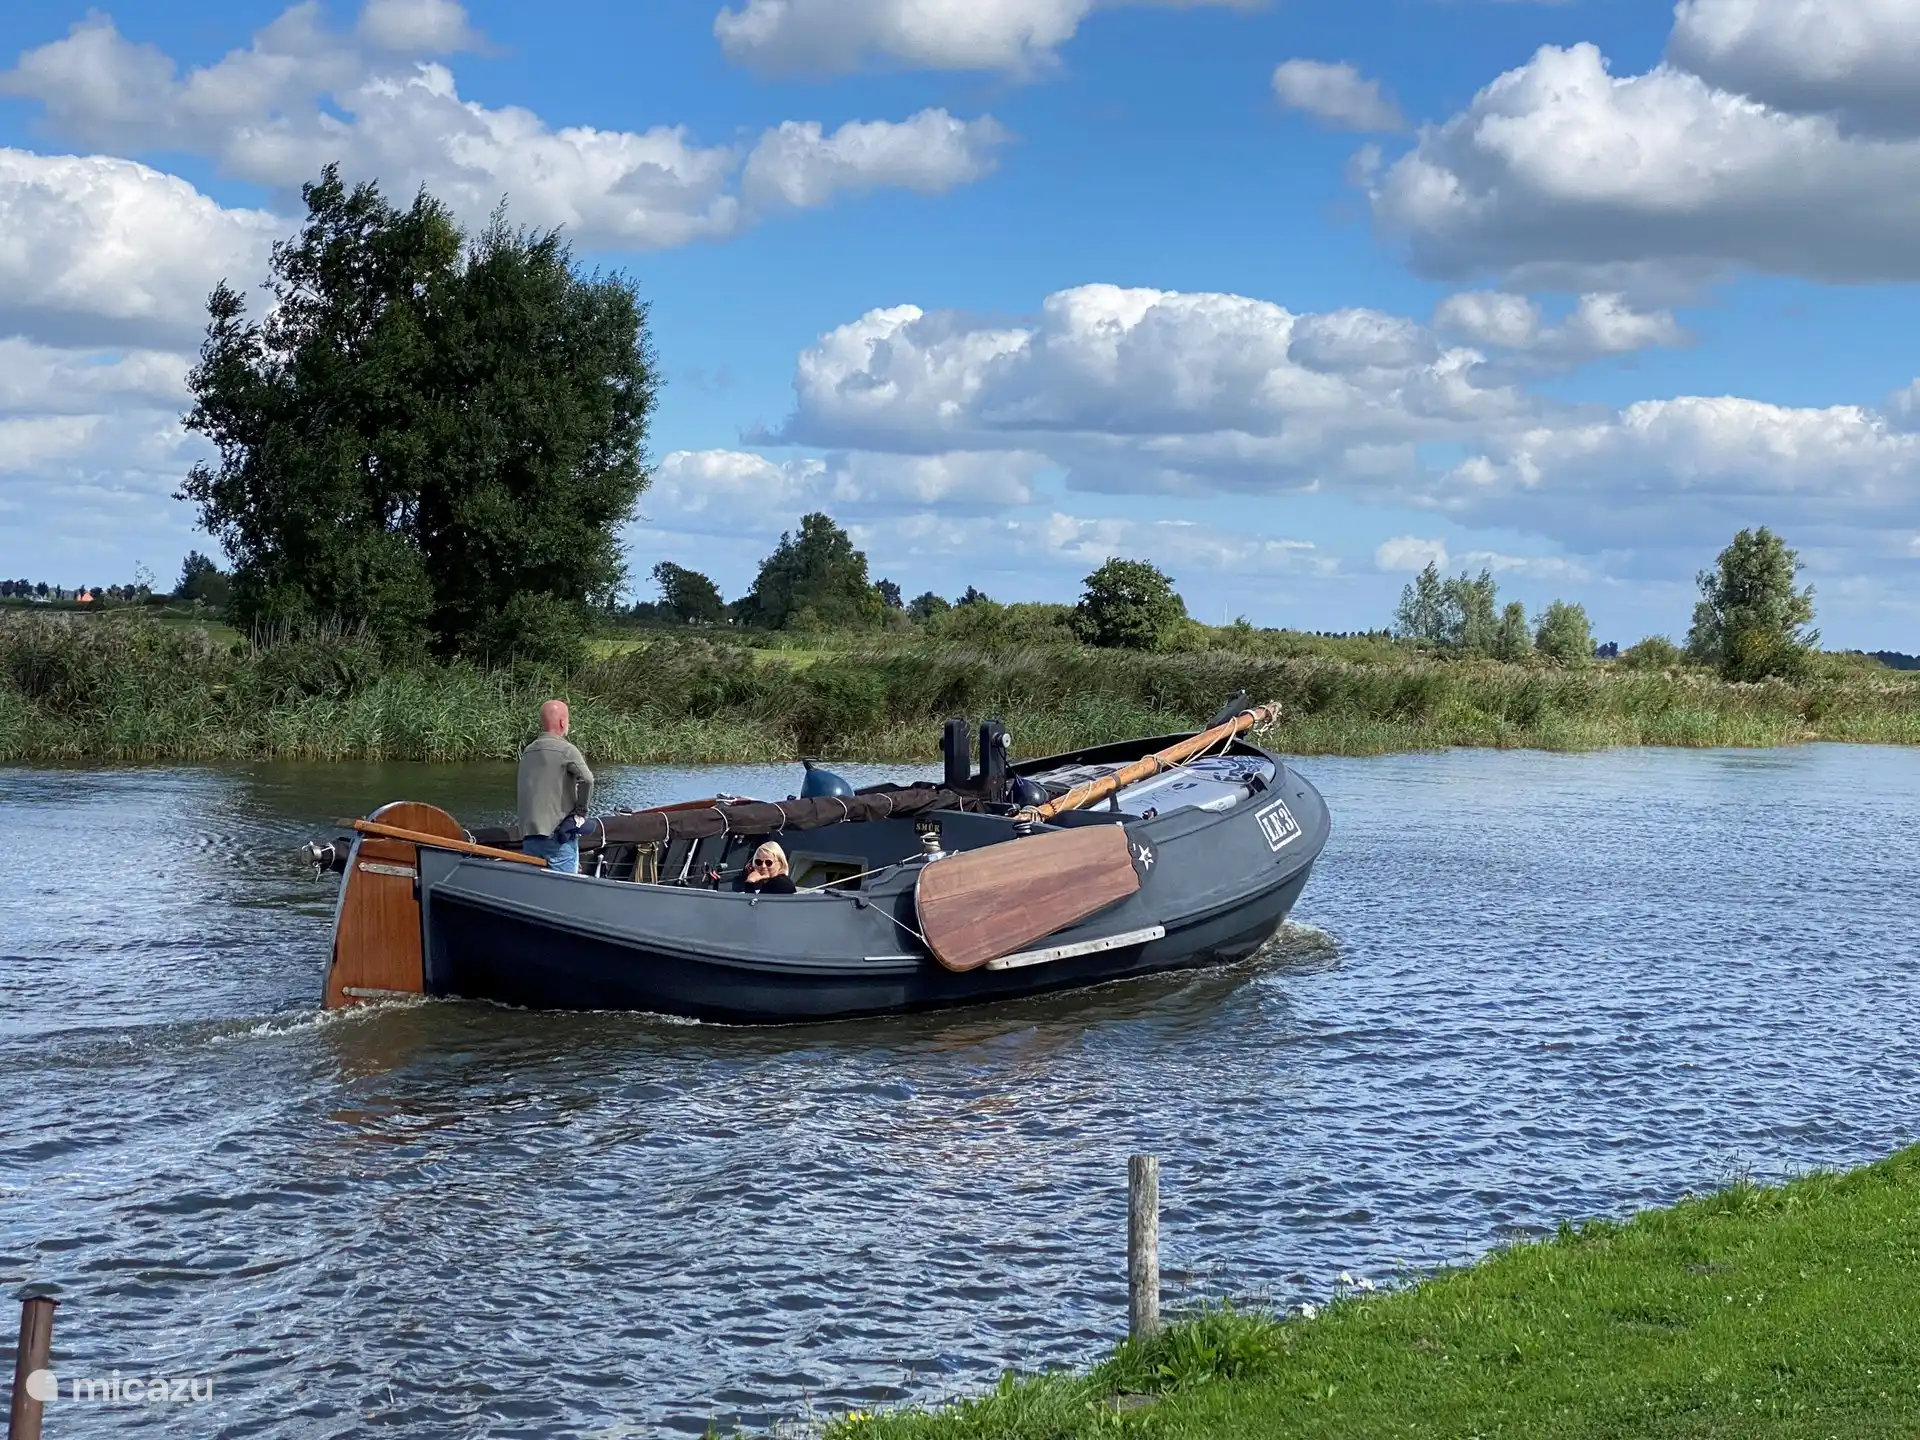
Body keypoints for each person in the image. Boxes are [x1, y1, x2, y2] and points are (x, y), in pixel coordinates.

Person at [517, 699, 594, 874]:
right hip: (557, 837)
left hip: (529, 836)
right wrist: (580, 812)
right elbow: (588, 779)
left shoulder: (528, 751)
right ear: (562, 722)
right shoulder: (566, 750)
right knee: (565, 890)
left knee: (536, 887)